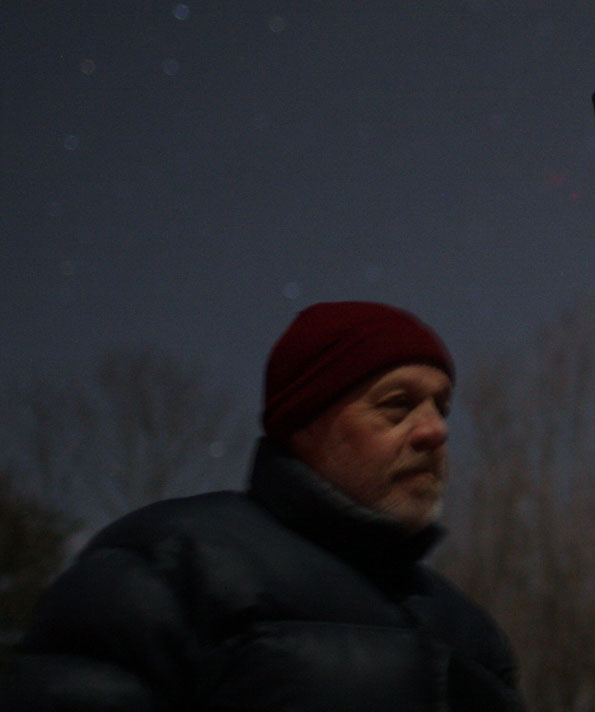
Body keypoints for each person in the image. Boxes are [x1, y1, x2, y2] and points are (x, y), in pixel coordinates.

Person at [1, 301, 525, 711]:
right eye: (398, 405)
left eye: (442, 406)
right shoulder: (162, 569)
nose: (436, 430)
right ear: (305, 425)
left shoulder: (469, 632)